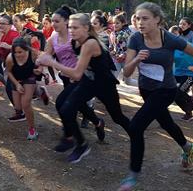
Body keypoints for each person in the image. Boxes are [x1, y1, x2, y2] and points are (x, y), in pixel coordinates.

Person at [118, 2, 193, 191]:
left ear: (157, 20)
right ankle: (187, 147)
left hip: (166, 90)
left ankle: (133, 175)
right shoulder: (135, 39)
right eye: (137, 18)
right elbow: (126, 72)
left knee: (135, 127)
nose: (140, 22)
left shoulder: (170, 39)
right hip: (146, 90)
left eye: (145, 18)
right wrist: (136, 59)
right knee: (166, 122)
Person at [38, 13, 130, 163]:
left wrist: (52, 63)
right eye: (70, 27)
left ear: (86, 28)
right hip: (88, 82)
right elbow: (76, 69)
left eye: (75, 27)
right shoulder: (75, 42)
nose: (71, 31)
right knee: (65, 107)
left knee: (117, 117)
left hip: (104, 84)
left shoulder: (90, 43)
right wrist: (41, 61)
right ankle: (81, 144)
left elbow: (76, 73)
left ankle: (135, 134)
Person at [43, 6, 106, 150]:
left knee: (62, 104)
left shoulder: (76, 35)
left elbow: (88, 55)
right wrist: (38, 62)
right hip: (67, 77)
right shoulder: (53, 37)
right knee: (78, 105)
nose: (53, 23)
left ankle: (71, 137)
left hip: (80, 77)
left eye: (57, 21)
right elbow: (47, 54)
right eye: (52, 21)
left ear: (66, 21)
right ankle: (97, 123)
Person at [6, 37, 43, 140]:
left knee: (25, 104)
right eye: (15, 52)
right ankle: (39, 90)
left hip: (29, 77)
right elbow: (8, 72)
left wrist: (39, 69)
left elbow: (42, 63)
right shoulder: (10, 58)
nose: (18, 55)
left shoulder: (33, 54)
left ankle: (32, 129)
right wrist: (17, 84)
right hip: (16, 79)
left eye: (20, 52)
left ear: (27, 49)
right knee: (18, 107)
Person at [172, 18, 193, 121]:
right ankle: (188, 112)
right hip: (178, 72)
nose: (181, 25)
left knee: (180, 92)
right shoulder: (178, 36)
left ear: (189, 25)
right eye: (180, 24)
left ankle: (190, 104)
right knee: (173, 93)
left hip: (190, 73)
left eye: (184, 24)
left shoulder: (192, 35)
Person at [109, 13, 136, 85]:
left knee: (128, 81)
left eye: (117, 23)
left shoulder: (127, 33)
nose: (115, 25)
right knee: (111, 79)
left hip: (126, 60)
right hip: (116, 60)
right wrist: (111, 52)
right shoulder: (112, 33)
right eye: (113, 23)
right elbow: (111, 45)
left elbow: (132, 47)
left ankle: (143, 85)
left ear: (123, 23)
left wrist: (124, 54)